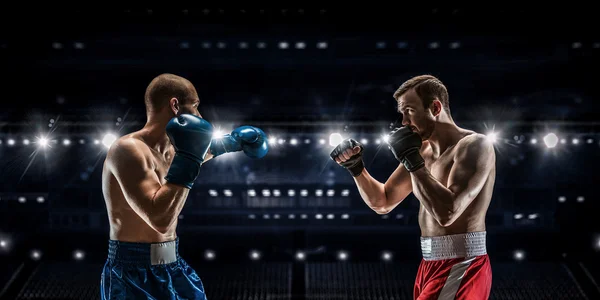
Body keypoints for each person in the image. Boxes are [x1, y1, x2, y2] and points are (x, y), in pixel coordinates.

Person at [100, 73, 269, 299]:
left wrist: (234, 141)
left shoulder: (173, 152)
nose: (199, 115)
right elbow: (159, 219)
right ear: (175, 105)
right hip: (132, 273)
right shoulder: (128, 149)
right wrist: (190, 156)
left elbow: (202, 152)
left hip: (173, 265)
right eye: (196, 106)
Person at [330, 75, 495, 299]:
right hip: (428, 264)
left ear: (435, 107)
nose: (404, 122)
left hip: (463, 263)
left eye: (409, 111)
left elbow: (448, 213)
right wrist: (357, 169)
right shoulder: (422, 153)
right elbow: (383, 202)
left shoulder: (474, 145)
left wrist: (412, 161)